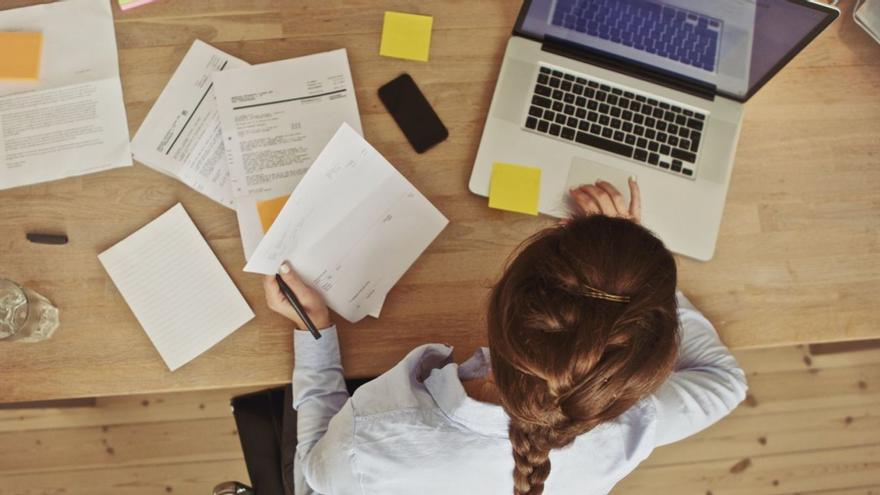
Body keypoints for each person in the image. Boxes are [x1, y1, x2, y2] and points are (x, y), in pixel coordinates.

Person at [263, 178, 748, 495]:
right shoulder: (627, 432)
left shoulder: (371, 438)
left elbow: (312, 477)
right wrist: (635, 279)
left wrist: (316, 334)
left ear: (499, 297)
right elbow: (725, 384)